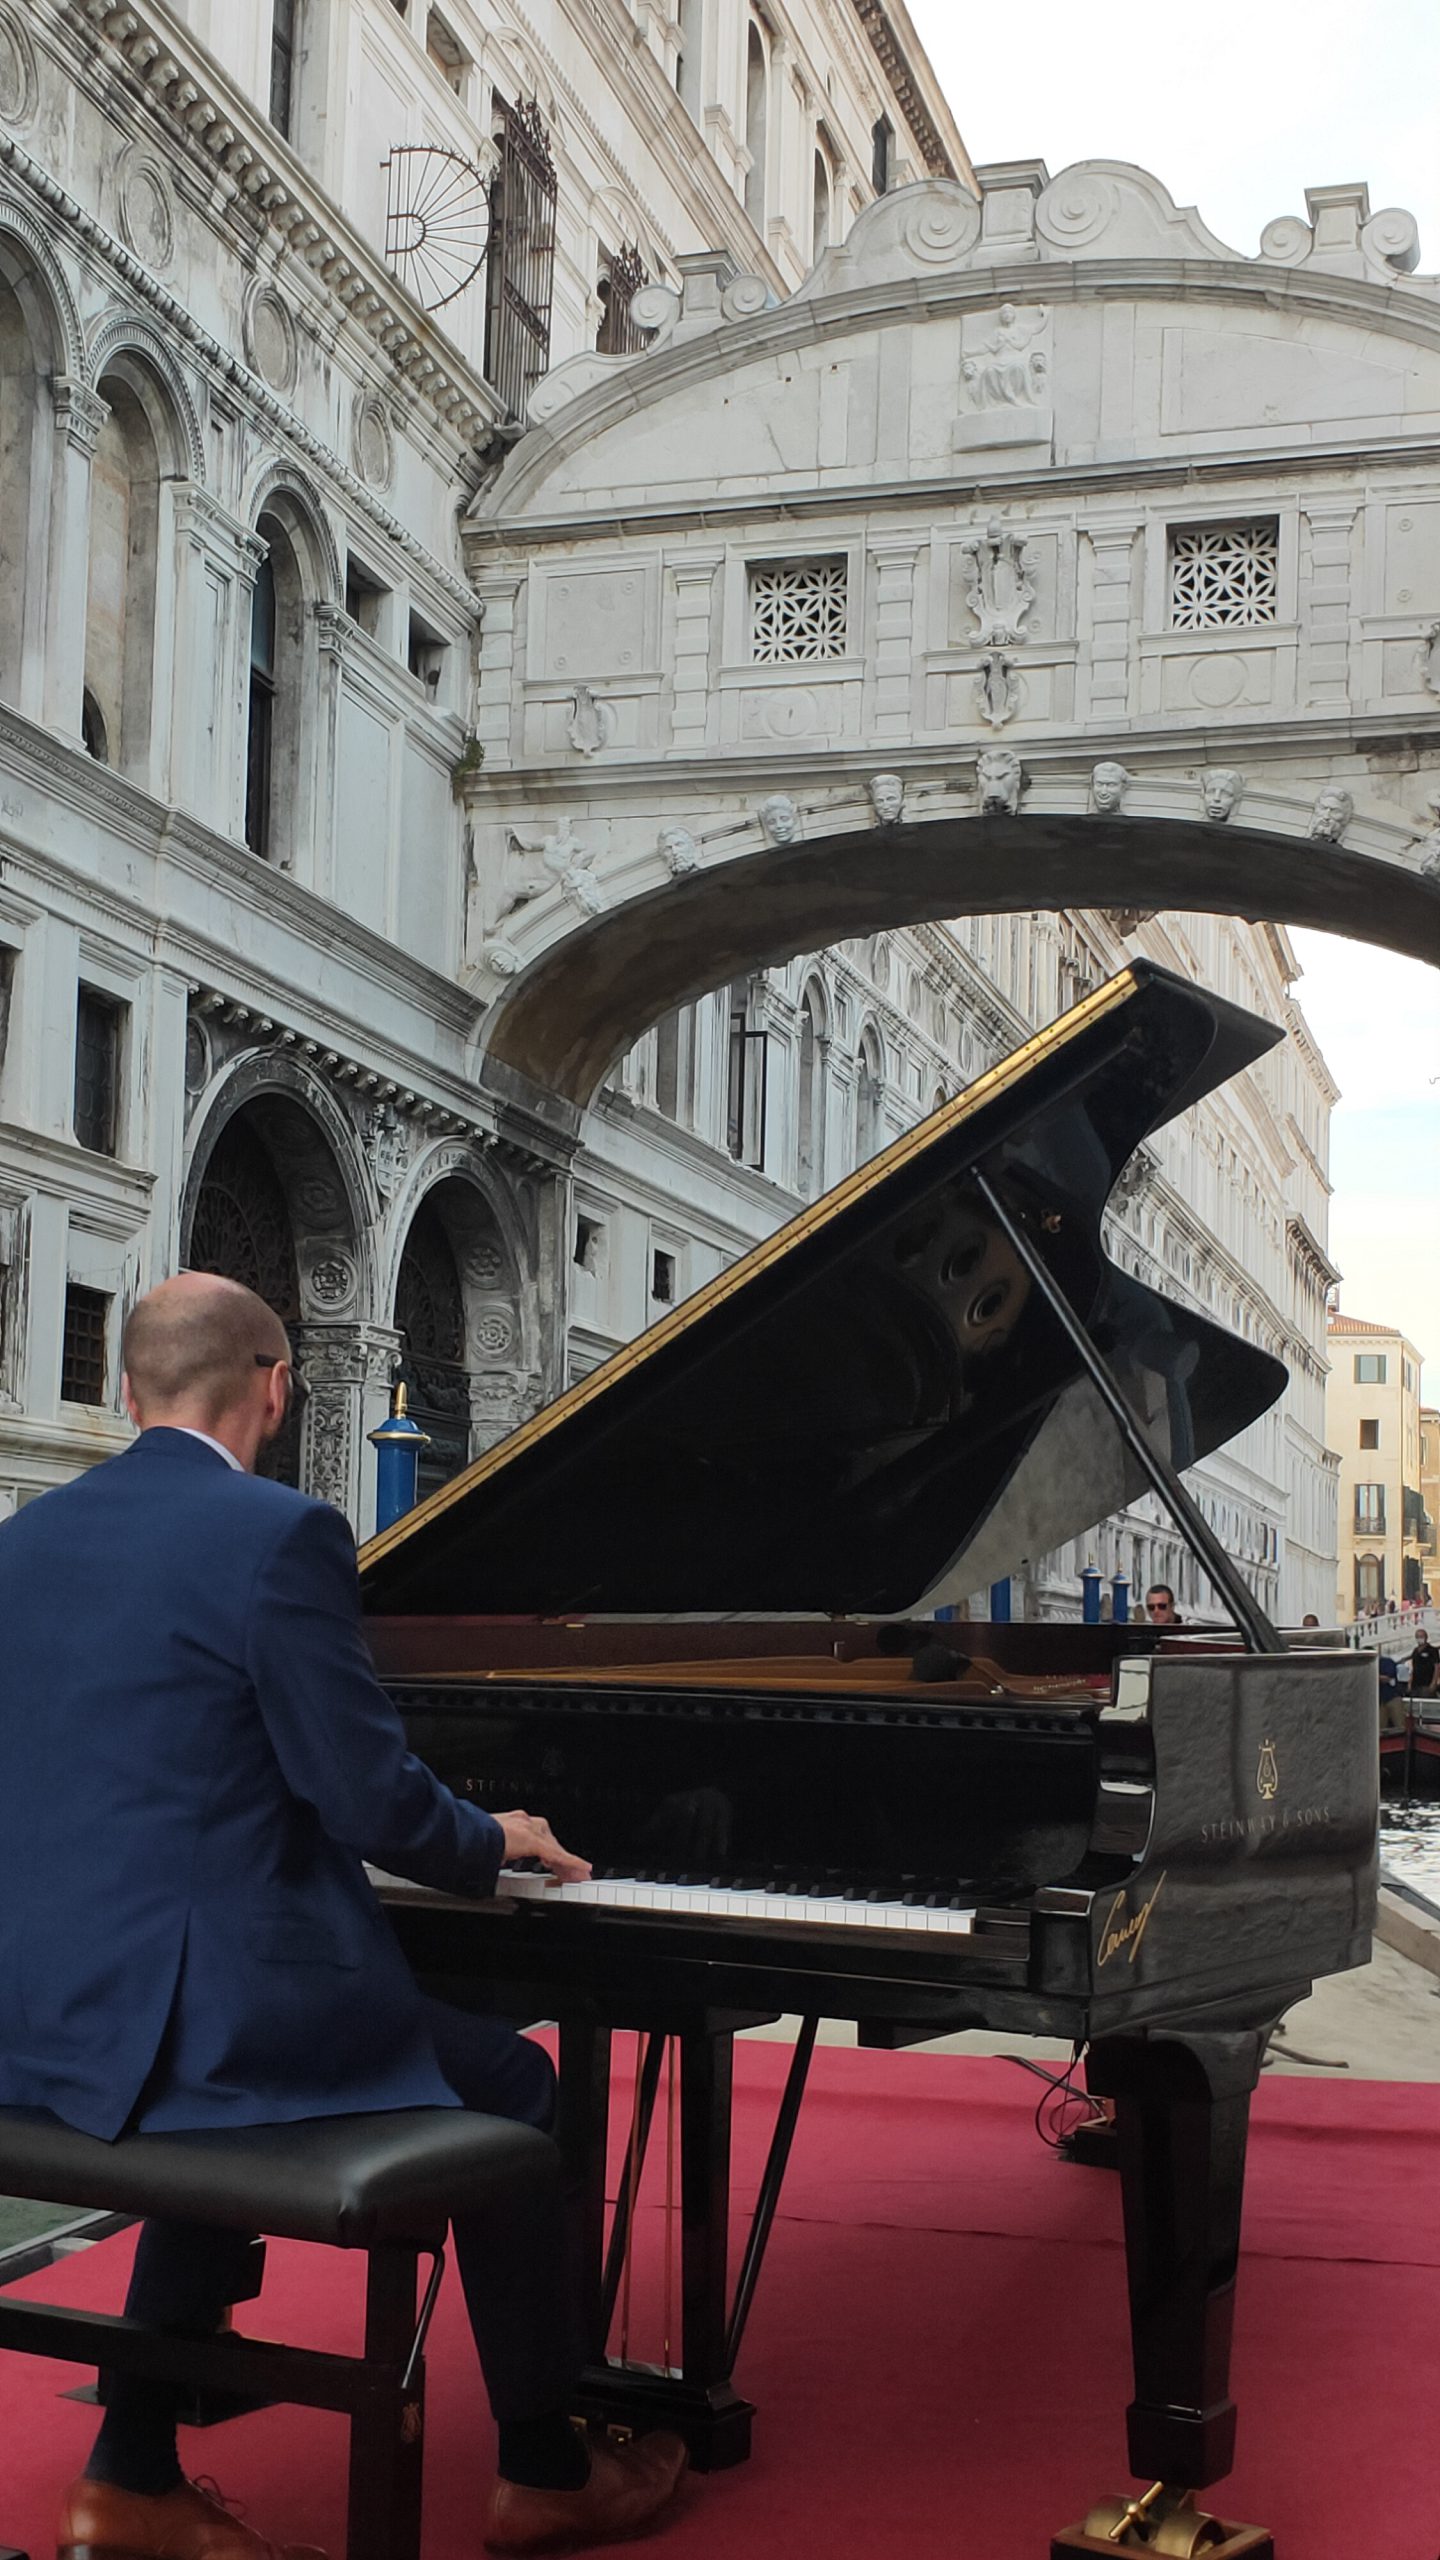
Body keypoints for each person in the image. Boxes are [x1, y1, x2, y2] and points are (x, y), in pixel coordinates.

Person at [0, 1274, 686, 2560]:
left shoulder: (20, 1542)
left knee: (238, 2075)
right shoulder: (277, 1534)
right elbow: (364, 1793)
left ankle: (130, 2466)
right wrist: (497, 1841)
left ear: (119, 1389)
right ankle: (546, 2464)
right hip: (188, 2017)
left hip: (36, 2012)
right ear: (274, 1385)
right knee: (514, 2081)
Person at [1409, 1626, 1438, 1700]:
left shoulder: (1433, 1650)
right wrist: (1410, 1682)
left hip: (1427, 1684)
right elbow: (1413, 1667)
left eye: (1421, 1636)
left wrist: (1434, 1683)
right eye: (1417, 1637)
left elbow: (1437, 1667)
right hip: (1415, 1685)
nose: (1419, 1638)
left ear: (1426, 1637)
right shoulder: (1415, 1651)